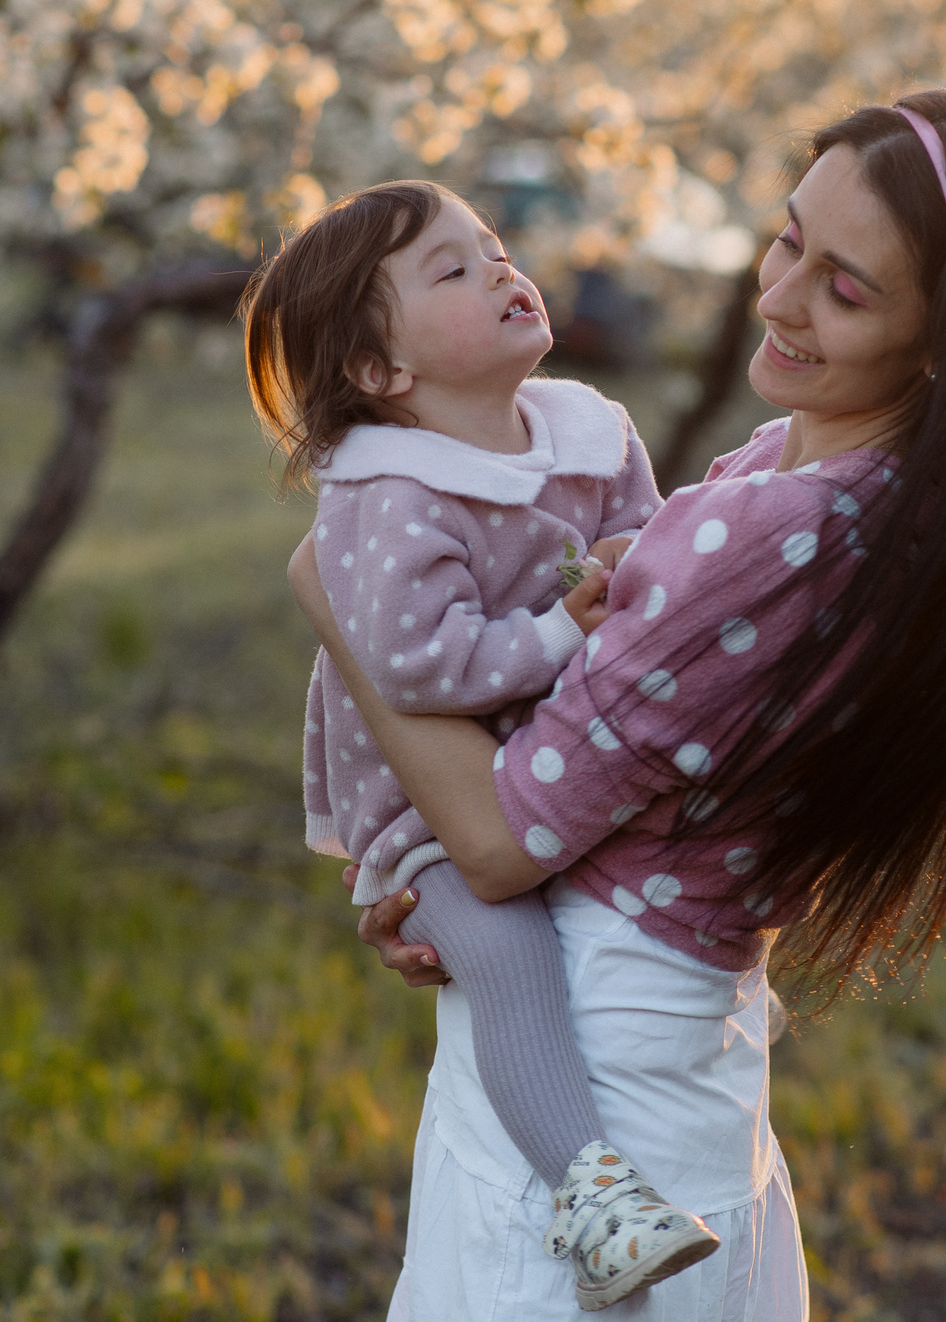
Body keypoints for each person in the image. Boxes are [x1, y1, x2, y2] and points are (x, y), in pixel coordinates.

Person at [289, 90, 946, 1320]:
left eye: (846, 287)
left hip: (604, 1068)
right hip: (662, 1039)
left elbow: (505, 842)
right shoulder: (856, 481)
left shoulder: (774, 527)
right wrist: (438, 902)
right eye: (787, 241)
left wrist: (335, 601)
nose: (777, 298)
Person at [244, 181, 723, 1308]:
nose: (503, 273)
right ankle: (592, 1193)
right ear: (380, 373)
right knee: (504, 956)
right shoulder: (389, 494)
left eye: (496, 251)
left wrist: (623, 553)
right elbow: (413, 669)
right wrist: (569, 621)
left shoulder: (584, 430)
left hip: (552, 753)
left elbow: (643, 543)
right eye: (453, 273)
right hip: (426, 820)